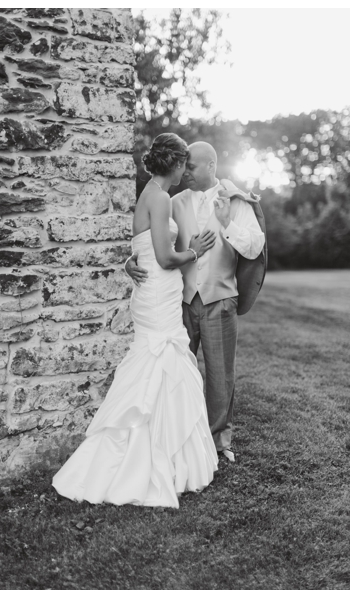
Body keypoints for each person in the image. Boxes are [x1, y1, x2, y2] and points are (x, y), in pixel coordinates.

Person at [53, 133, 219, 508]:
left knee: (159, 366)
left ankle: (167, 450)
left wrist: (131, 263)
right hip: (157, 295)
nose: (184, 172)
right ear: (175, 164)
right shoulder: (159, 197)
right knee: (160, 365)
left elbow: (140, 249)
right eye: (184, 166)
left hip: (151, 294)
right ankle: (151, 458)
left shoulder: (146, 193)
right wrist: (195, 251)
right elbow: (163, 257)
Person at [125, 142, 267, 463]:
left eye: (191, 167)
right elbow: (150, 239)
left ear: (211, 167)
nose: (185, 172)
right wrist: (129, 261)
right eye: (183, 166)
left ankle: (219, 441)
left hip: (220, 299)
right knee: (177, 373)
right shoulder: (172, 201)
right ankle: (177, 436)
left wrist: (227, 223)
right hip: (181, 301)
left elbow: (255, 246)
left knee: (220, 375)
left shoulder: (236, 202)